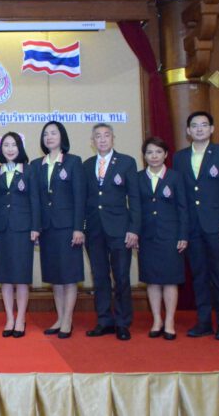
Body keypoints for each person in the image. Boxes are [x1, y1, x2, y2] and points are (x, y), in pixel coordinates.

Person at [174, 111, 219, 341]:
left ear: (212, 129)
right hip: (192, 228)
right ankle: (203, 322)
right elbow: (180, 197)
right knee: (199, 276)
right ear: (188, 131)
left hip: (217, 227)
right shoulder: (180, 158)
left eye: (204, 125)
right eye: (194, 125)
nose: (199, 129)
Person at [83, 123, 140, 341]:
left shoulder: (126, 162)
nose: (103, 139)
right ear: (92, 141)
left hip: (120, 229)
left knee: (122, 277)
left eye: (107, 135)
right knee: (99, 277)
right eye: (98, 136)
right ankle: (104, 320)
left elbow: (134, 198)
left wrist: (134, 229)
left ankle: (123, 322)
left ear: (113, 138)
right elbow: (83, 199)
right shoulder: (87, 165)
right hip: (94, 229)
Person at [29, 121, 85, 339]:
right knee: (55, 276)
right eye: (46, 134)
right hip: (48, 229)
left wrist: (78, 228)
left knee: (69, 275)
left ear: (62, 137)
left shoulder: (73, 162)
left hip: (68, 228)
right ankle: (60, 317)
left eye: (53, 133)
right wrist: (36, 227)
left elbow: (79, 198)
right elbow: (35, 199)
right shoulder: (36, 165)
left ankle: (68, 319)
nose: (49, 137)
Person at [136, 137, 188, 340]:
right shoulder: (138, 178)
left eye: (158, 152)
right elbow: (136, 208)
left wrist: (183, 234)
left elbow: (183, 209)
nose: (154, 156)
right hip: (147, 236)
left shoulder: (175, 177)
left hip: (171, 236)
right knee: (152, 280)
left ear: (166, 154)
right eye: (149, 152)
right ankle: (157, 319)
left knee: (170, 280)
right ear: (144, 156)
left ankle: (170, 321)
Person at [0, 132, 39, 338]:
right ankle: (9, 318)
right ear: (1, 149)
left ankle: (21, 318)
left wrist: (35, 227)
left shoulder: (29, 171)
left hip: (23, 230)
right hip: (2, 230)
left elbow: (35, 202)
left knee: (21, 277)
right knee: (5, 278)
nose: (10, 149)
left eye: (13, 145)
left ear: (20, 148)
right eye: (6, 145)